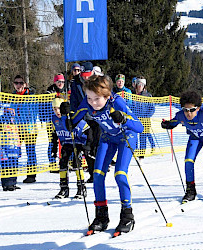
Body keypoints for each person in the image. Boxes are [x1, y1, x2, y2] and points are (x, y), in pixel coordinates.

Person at [61, 75, 143, 236]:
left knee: (120, 174)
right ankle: (101, 217)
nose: (92, 102)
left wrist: (124, 119)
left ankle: (127, 215)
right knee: (97, 175)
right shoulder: (87, 102)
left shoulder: (117, 102)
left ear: (107, 95)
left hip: (126, 136)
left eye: (97, 99)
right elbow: (71, 126)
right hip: (107, 138)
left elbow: (138, 127)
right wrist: (66, 115)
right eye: (89, 97)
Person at [161, 91, 203, 203]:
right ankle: (190, 191)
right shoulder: (180, 115)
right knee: (188, 160)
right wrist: (166, 124)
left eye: (192, 110)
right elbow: (172, 122)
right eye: (185, 110)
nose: (188, 113)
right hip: (195, 137)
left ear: (197, 108)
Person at [51, 97, 90, 199]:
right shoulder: (54, 119)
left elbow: (87, 129)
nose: (57, 111)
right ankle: (64, 188)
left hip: (77, 142)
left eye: (58, 108)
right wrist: (54, 149)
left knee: (76, 162)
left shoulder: (71, 117)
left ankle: (81, 188)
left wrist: (87, 146)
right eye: (54, 109)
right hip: (66, 143)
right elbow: (55, 135)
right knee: (63, 162)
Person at [70, 61, 98, 182]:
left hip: (97, 118)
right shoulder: (76, 83)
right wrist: (73, 116)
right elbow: (74, 102)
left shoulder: (97, 81)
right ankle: (92, 173)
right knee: (87, 147)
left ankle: (97, 173)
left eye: (88, 74)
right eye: (84, 74)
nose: (86, 77)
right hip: (83, 119)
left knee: (95, 147)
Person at [10, 75, 38, 183]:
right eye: (16, 83)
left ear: (25, 84)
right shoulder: (12, 96)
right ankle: (12, 176)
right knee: (14, 151)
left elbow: (36, 110)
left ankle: (31, 176)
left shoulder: (31, 96)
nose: (18, 85)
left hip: (29, 129)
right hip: (16, 129)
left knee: (30, 151)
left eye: (21, 83)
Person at [44, 73, 67, 169]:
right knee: (52, 141)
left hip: (63, 119)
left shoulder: (66, 91)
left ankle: (66, 161)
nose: (60, 83)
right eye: (58, 81)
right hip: (51, 120)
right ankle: (52, 162)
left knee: (65, 140)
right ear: (55, 82)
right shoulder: (49, 92)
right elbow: (43, 106)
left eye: (62, 81)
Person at [0, 108, 21, 191]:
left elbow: (18, 136)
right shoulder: (1, 121)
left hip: (14, 147)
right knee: (6, 165)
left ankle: (13, 183)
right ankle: (6, 184)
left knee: (14, 165)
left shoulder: (15, 122)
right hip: (5, 148)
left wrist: (19, 148)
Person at [133, 77, 155, 159]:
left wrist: (147, 115)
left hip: (145, 120)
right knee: (133, 135)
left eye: (142, 84)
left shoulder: (147, 95)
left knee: (143, 137)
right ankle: (134, 151)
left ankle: (141, 156)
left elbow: (152, 108)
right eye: (138, 84)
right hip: (135, 119)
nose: (140, 86)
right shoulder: (132, 94)